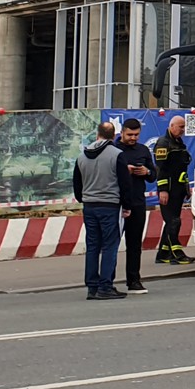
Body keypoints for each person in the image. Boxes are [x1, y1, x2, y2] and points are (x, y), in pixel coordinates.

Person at [73, 121, 125, 300]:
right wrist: (126, 206)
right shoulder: (117, 155)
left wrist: (85, 198)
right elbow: (124, 184)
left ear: (97, 135)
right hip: (110, 206)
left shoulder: (81, 157)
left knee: (93, 246)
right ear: (114, 136)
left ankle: (92, 287)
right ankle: (106, 286)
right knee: (110, 246)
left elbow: (77, 186)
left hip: (89, 206)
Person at [115, 118, 155, 294]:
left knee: (134, 244)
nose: (133, 138)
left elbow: (153, 174)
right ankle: (107, 280)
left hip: (137, 202)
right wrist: (126, 170)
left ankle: (134, 280)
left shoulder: (143, 150)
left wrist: (146, 172)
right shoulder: (113, 150)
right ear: (122, 132)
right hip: (116, 203)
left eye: (136, 135)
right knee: (111, 244)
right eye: (130, 134)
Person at [154, 115, 193, 264]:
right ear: (172, 126)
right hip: (168, 190)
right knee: (173, 221)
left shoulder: (178, 143)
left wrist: (186, 187)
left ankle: (163, 253)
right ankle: (177, 253)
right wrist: (163, 189)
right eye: (180, 127)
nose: (183, 130)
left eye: (184, 127)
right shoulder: (163, 143)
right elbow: (161, 169)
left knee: (173, 220)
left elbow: (181, 169)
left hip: (178, 189)